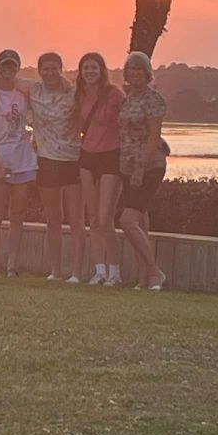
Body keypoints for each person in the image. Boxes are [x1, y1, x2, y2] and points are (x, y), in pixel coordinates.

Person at [0, 52, 85, 282]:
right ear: (40, 71)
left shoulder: (73, 92)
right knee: (53, 219)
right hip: (47, 159)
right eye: (46, 69)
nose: (50, 73)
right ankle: (55, 271)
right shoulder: (34, 90)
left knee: (76, 219)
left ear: (61, 69)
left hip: (73, 159)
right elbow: (3, 76)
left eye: (54, 68)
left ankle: (77, 272)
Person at [0, 49, 37, 277]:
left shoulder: (23, 93)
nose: (8, 69)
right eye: (4, 65)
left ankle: (12, 264)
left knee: (17, 215)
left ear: (18, 67)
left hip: (23, 161)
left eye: (13, 65)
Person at [118, 51, 170, 290]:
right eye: (131, 69)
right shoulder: (127, 98)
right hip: (127, 165)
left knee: (127, 221)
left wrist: (140, 168)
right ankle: (144, 280)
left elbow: (153, 137)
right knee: (140, 222)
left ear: (147, 73)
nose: (135, 73)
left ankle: (154, 271)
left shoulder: (153, 100)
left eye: (139, 69)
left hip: (149, 166)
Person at [74, 52, 126, 287]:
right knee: (93, 218)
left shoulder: (115, 94)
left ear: (102, 70)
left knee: (106, 219)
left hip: (111, 157)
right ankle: (100, 271)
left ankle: (115, 272)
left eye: (94, 67)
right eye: (86, 68)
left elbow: (131, 121)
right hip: (87, 156)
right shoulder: (80, 95)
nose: (90, 72)